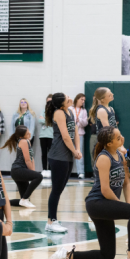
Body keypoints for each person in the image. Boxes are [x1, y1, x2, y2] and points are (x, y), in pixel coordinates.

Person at [49, 126, 130, 259]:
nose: (122, 138)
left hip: (105, 204)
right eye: (118, 137)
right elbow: (105, 190)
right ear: (109, 143)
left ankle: (67, 254)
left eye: (120, 135)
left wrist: (127, 205)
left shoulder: (121, 156)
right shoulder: (104, 158)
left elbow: (126, 184)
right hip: (96, 204)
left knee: (107, 255)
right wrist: (124, 206)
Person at [45, 93, 81, 233]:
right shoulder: (59, 113)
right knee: (56, 190)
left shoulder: (69, 111)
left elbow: (75, 132)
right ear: (62, 103)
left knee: (59, 190)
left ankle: (51, 221)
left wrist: (77, 149)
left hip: (67, 156)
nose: (69, 97)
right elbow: (66, 136)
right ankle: (51, 221)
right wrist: (74, 151)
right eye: (67, 97)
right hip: (58, 156)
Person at [0, 125, 42, 208]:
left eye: (28, 131)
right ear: (21, 136)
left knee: (24, 200)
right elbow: (27, 160)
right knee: (39, 177)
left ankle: (3, 202)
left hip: (18, 171)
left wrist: (31, 172)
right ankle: (24, 199)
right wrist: (33, 173)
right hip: (18, 170)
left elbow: (31, 158)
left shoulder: (27, 141)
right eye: (27, 133)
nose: (29, 133)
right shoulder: (23, 141)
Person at [70, 93, 88, 179]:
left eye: (84, 100)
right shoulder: (70, 109)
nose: (83, 101)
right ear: (77, 99)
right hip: (70, 134)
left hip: (80, 133)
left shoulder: (84, 111)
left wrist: (79, 120)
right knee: (69, 152)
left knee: (79, 152)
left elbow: (86, 123)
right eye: (81, 99)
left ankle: (80, 172)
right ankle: (68, 171)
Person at [38, 94, 53, 177]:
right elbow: (40, 120)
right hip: (43, 135)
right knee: (44, 153)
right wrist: (48, 121)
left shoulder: (55, 111)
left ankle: (50, 169)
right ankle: (44, 169)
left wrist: (45, 120)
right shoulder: (43, 110)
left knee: (50, 153)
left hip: (51, 135)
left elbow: (53, 121)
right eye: (48, 101)